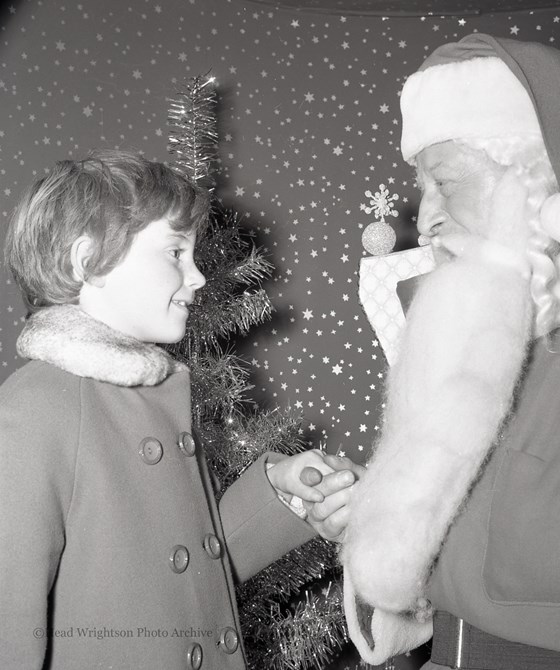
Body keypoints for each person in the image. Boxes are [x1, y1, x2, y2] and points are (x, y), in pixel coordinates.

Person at [341, 34, 560, 669]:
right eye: (421, 185)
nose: (424, 217)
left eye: (447, 182)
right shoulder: (489, 329)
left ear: (543, 181)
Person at [0, 150, 361, 670]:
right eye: (175, 253)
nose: (197, 277)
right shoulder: (33, 410)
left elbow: (182, 570)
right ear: (88, 261)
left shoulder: (151, 400)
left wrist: (280, 490)